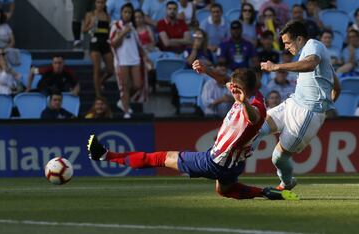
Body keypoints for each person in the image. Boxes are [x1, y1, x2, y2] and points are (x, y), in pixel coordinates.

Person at [87, 68, 299, 201]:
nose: (231, 90)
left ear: (245, 90)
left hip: (215, 161)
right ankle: (266, 192)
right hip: (234, 164)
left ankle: (105, 156)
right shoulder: (251, 93)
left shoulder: (256, 108)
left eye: (236, 89)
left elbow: (254, 119)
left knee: (160, 158)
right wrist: (206, 71)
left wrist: (241, 101)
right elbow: (225, 79)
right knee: (224, 191)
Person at [252, 20, 341, 190]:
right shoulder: (316, 57)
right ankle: (234, 165)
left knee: (278, 157)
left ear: (299, 39)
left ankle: (286, 183)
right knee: (257, 126)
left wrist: (277, 67)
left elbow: (310, 64)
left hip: (307, 114)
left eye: (287, 42)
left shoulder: (313, 45)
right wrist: (328, 104)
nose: (285, 47)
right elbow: (337, 87)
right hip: (292, 103)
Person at [110, 3, 149, 119]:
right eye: (125, 12)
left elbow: (139, 44)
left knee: (137, 85)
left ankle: (123, 101)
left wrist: (145, 57)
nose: (127, 14)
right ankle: (126, 111)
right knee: (125, 86)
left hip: (135, 59)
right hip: (122, 60)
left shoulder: (133, 27)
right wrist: (123, 33)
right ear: (121, 13)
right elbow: (113, 43)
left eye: (129, 12)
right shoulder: (115, 25)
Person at [82, 0, 114, 98]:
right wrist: (90, 26)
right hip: (95, 42)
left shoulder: (107, 15)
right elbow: (84, 30)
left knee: (110, 70)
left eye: (102, 2)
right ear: (95, 3)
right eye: (98, 2)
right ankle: (98, 94)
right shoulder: (90, 14)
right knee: (97, 68)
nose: (100, 4)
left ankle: (100, 81)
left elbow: (110, 31)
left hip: (105, 42)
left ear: (104, 4)